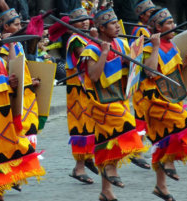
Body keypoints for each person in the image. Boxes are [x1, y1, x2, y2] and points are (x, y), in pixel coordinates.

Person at [0, 21, 45, 201]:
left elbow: (8, 92)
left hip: (4, 124)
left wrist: (12, 85)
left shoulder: (1, 62)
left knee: (2, 163)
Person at [80, 7, 147, 200]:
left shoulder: (122, 43)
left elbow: (133, 69)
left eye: (117, 22)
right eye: (112, 24)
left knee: (107, 143)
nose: (117, 26)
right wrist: (104, 53)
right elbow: (93, 76)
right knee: (126, 125)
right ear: (101, 28)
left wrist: (130, 62)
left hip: (119, 97)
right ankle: (111, 169)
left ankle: (106, 191)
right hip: (101, 102)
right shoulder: (91, 49)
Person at [141, 8, 187, 200]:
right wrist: (156, 45)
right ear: (158, 28)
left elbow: (172, 75)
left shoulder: (174, 47)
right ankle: (169, 164)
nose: (173, 26)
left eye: (173, 22)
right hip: (153, 101)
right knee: (185, 123)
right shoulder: (147, 48)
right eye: (168, 23)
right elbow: (150, 72)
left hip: (168, 97)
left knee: (162, 142)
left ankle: (161, 187)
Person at [0, 8, 40, 148]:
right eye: (16, 24)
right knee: (21, 127)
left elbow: (23, 68)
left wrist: (30, 80)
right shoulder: (1, 48)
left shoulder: (18, 44)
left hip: (28, 93)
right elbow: (12, 67)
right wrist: (9, 43)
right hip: (16, 95)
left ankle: (31, 155)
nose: (20, 27)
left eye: (20, 24)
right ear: (6, 27)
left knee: (32, 125)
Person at [64, 7, 99, 185]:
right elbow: (85, 56)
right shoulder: (76, 39)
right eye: (80, 21)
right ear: (72, 26)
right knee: (81, 127)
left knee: (92, 124)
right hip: (77, 90)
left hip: (89, 88)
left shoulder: (86, 37)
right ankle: (79, 167)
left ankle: (88, 157)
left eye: (86, 19)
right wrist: (96, 40)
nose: (85, 22)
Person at [128, 0, 157, 170]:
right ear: (142, 16)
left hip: (149, 81)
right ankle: (135, 151)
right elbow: (140, 56)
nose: (152, 15)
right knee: (141, 116)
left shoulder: (149, 30)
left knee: (150, 116)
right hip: (141, 81)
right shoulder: (140, 30)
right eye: (150, 12)